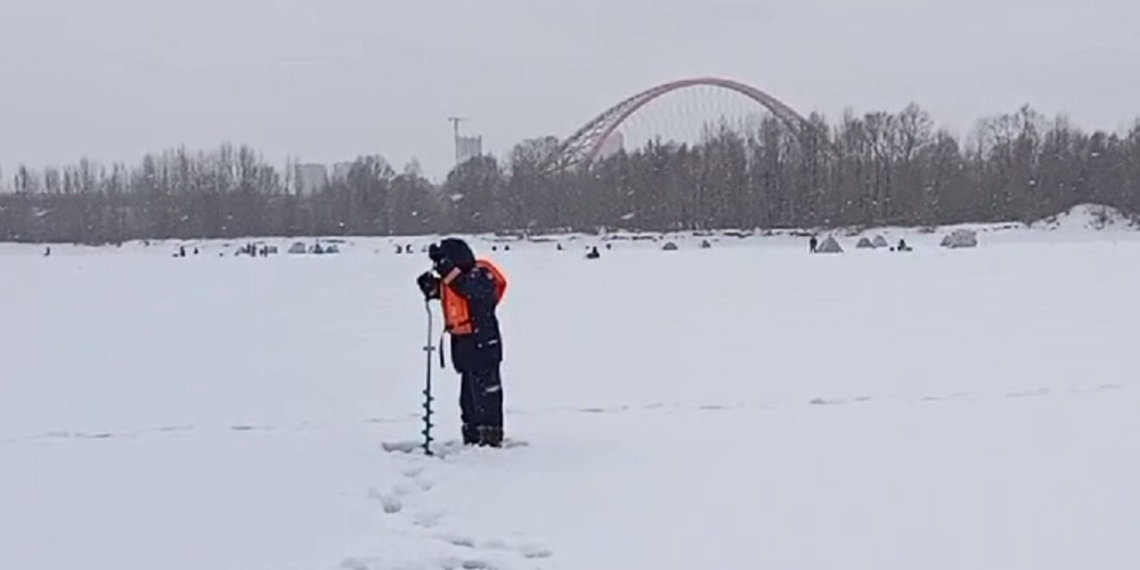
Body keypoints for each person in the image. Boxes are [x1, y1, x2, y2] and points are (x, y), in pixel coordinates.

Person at [416, 238, 509, 447]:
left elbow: (470, 290)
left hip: (484, 343)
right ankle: (472, 435)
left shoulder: (481, 275)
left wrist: (447, 270)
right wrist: (432, 287)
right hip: (464, 345)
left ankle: (490, 437)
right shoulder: (455, 281)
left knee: (487, 394)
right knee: (468, 399)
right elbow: (453, 294)